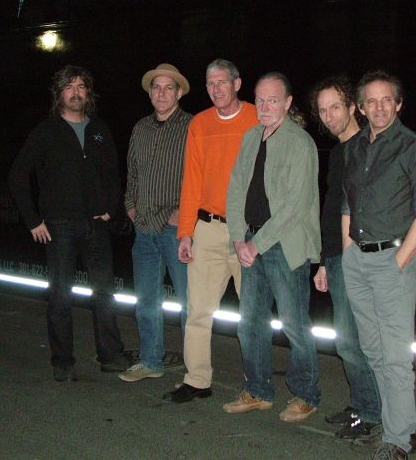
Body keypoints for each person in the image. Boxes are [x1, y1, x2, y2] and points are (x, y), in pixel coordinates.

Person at [8, 65, 128, 382]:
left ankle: (111, 355)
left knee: (104, 293)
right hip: (59, 226)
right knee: (61, 294)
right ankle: (62, 360)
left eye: (81, 86)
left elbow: (113, 174)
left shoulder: (99, 129)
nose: (75, 92)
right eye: (69, 86)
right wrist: (33, 220)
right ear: (59, 93)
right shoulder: (45, 131)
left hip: (96, 225)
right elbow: (18, 176)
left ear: (89, 93)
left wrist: (111, 209)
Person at [341, 70, 416, 460]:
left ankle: (398, 440)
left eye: (386, 99)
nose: (379, 107)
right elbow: (348, 204)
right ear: (361, 108)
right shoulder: (353, 148)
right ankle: (395, 425)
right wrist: (348, 252)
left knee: (395, 356)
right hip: (358, 260)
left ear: (398, 104)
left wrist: (398, 261)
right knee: (373, 351)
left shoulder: (414, 147)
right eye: (371, 101)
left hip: (393, 260)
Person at [223, 72, 321, 421]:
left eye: (273, 100)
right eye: (260, 100)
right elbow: (236, 189)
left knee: (294, 324)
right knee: (250, 323)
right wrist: (239, 238)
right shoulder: (251, 137)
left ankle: (306, 394)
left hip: (284, 247)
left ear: (288, 103)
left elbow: (296, 205)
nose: (264, 107)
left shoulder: (300, 143)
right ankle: (258, 390)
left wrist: (256, 244)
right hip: (250, 243)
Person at [162, 59, 258, 403]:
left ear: (237, 83)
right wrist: (185, 232)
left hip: (249, 232)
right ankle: (197, 380)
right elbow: (192, 180)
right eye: (210, 84)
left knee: (253, 313)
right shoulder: (200, 124)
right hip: (208, 229)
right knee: (198, 310)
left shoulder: (258, 117)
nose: (216, 89)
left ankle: (256, 384)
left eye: (222, 82)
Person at [309, 76, 384, 442]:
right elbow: (332, 210)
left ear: (353, 106)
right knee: (347, 342)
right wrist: (325, 261)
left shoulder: (369, 145)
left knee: (361, 342)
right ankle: (362, 404)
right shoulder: (339, 152)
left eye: (335, 106)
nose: (329, 116)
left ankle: (374, 413)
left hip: (361, 257)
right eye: (323, 110)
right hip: (337, 256)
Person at [118, 63, 192, 383]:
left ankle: (196, 368)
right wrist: (130, 207)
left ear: (178, 92)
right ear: (150, 93)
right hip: (144, 228)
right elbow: (132, 173)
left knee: (190, 302)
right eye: (156, 87)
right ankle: (150, 360)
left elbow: (201, 176)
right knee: (147, 300)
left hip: (178, 230)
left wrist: (183, 214)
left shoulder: (192, 127)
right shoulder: (140, 128)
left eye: (168, 87)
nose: (161, 93)